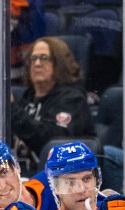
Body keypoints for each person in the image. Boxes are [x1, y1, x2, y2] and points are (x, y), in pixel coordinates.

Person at [10, 37, 96, 175]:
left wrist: (11, 108)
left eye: (44, 58)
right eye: (33, 59)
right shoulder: (27, 98)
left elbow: (50, 143)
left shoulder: (72, 100)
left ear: (59, 63)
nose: (37, 63)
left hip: (55, 180)